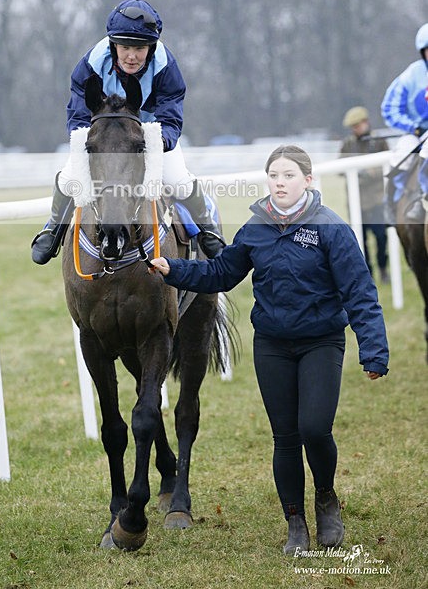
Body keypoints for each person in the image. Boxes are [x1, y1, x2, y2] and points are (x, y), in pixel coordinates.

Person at [150, 145, 389, 555]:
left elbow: (361, 293)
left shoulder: (331, 228)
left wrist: (374, 350)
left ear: (308, 182)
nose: (280, 182)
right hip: (273, 345)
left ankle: (327, 500)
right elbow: (221, 272)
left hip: (321, 342)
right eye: (274, 175)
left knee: (315, 429)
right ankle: (295, 522)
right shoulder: (256, 228)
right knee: (285, 437)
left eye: (289, 175)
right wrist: (176, 270)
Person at [31, 0, 225, 264]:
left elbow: (170, 113)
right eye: (124, 47)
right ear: (113, 45)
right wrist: (89, 140)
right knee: (68, 179)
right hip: (105, 139)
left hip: (150, 136)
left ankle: (207, 231)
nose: (131, 56)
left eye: (139, 48)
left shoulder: (166, 66)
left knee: (178, 179)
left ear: (151, 47)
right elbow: (78, 112)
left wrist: (160, 141)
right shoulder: (90, 65)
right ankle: (52, 230)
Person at [381, 23, 428, 222]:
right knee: (400, 158)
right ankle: (393, 204)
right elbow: (389, 109)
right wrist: (412, 126)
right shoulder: (411, 76)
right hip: (416, 132)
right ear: (422, 52)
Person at [340, 106, 389, 282]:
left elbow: (386, 166)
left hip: (376, 200)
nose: (355, 129)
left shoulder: (378, 141)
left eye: (357, 125)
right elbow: (340, 168)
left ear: (366, 122)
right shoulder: (347, 144)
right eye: (352, 126)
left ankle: (383, 269)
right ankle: (368, 273)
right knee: (361, 242)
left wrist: (368, 172)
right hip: (356, 202)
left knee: (381, 238)